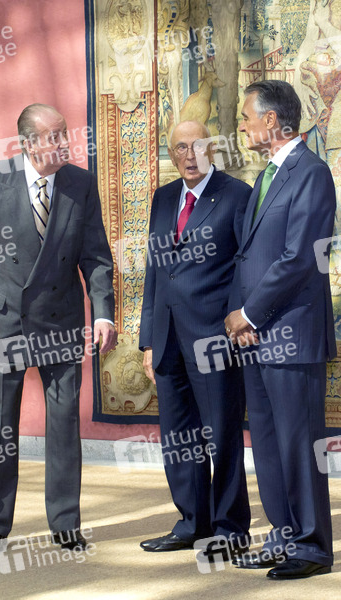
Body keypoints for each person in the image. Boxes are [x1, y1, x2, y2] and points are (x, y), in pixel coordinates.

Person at [0, 103, 117, 554]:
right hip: (5, 321)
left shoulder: (80, 183)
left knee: (64, 425)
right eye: (54, 136)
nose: (65, 142)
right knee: (1, 426)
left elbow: (96, 257)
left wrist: (102, 313)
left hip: (61, 322)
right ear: (28, 144)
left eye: (65, 133)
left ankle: (66, 524)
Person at [225, 80, 336, 579]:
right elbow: (247, 256)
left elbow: (299, 259)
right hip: (257, 338)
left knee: (298, 445)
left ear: (271, 120)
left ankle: (311, 548)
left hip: (292, 337)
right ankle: (283, 536)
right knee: (268, 445)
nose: (241, 125)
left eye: (246, 116)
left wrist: (249, 314)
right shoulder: (266, 176)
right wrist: (242, 319)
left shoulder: (311, 173)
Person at [138, 120, 251, 554]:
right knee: (179, 438)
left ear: (212, 148)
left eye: (198, 145)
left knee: (222, 436)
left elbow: (245, 266)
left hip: (215, 339)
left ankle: (230, 529)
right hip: (167, 339)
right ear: (171, 154)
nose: (190, 155)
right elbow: (155, 271)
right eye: (181, 147)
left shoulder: (236, 195)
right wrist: (149, 339)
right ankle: (192, 523)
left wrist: (235, 321)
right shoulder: (164, 197)